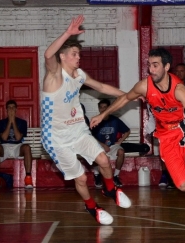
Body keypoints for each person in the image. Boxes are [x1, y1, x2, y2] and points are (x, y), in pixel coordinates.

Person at [90, 48, 185, 238]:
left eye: (155, 65)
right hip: (165, 137)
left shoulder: (179, 90)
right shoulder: (144, 86)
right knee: (184, 186)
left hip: (184, 131)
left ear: (166, 67)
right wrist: (103, 114)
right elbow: (125, 99)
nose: (151, 69)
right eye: (149, 65)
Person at [40, 15, 131, 225]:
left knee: (103, 160)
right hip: (56, 138)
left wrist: (127, 95)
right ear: (62, 57)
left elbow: (100, 87)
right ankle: (92, 207)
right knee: (81, 178)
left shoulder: (79, 75)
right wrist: (67, 34)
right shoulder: (54, 75)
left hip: (78, 130)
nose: (78, 57)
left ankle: (110, 189)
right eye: (74, 54)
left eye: (78, 54)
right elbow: (47, 54)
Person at [155, 63, 185, 189]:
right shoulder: (168, 86)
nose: (179, 73)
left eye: (182, 71)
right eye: (177, 71)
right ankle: (167, 175)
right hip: (171, 126)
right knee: (167, 150)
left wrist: (184, 113)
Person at [0, 100, 33, 189]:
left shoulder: (22, 122)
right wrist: (10, 122)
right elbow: (4, 138)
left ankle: (28, 178)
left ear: (16, 109)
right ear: (6, 110)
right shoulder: (1, 123)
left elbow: (18, 138)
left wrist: (14, 121)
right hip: (5, 146)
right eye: (9, 107)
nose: (11, 109)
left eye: (13, 107)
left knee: (27, 147)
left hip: (17, 146)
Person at [92, 99, 131, 188]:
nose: (103, 109)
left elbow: (127, 131)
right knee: (93, 152)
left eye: (105, 107)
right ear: (98, 109)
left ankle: (116, 176)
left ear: (109, 108)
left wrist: (120, 141)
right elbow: (90, 136)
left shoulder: (115, 120)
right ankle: (97, 175)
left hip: (112, 145)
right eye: (101, 107)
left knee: (121, 151)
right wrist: (102, 145)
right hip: (99, 146)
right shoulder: (95, 120)